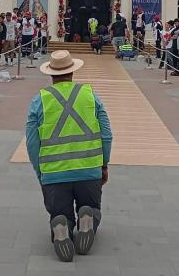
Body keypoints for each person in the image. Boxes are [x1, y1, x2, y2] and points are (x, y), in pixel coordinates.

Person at [25, 50, 113, 262]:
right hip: (88, 171)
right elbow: (106, 134)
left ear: (51, 74)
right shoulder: (90, 95)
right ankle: (88, 218)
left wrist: (41, 172)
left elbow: (32, 142)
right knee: (93, 208)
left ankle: (62, 224)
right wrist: (104, 164)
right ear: (72, 72)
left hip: (54, 174)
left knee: (58, 213)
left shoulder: (40, 100)